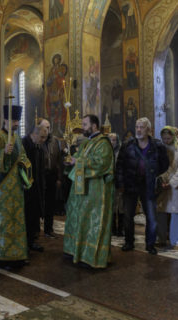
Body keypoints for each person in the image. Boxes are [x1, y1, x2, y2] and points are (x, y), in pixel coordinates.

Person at [0, 105, 32, 267]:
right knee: (1, 221)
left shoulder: (17, 138)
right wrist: (3, 153)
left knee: (15, 220)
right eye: (13, 120)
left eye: (17, 121)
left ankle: (16, 254)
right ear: (5, 120)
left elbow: (23, 157)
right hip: (1, 189)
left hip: (15, 188)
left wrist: (24, 167)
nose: (16, 123)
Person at [63, 115, 115, 268]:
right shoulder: (87, 143)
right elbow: (77, 158)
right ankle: (76, 250)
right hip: (82, 189)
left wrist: (77, 161)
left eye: (85, 124)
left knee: (92, 222)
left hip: (95, 190)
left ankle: (91, 256)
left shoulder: (103, 144)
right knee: (80, 219)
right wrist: (69, 160)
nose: (83, 127)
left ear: (94, 126)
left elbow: (101, 164)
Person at [115, 117, 169, 255]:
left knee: (151, 217)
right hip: (130, 185)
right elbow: (119, 165)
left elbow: (164, 164)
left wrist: (153, 173)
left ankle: (150, 244)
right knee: (128, 216)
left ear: (149, 130)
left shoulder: (157, 146)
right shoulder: (127, 145)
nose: (138, 130)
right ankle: (129, 242)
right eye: (137, 127)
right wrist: (120, 183)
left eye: (142, 127)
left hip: (148, 185)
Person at [158, 126, 178, 249]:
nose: (166, 140)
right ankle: (161, 238)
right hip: (162, 184)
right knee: (160, 211)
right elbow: (157, 165)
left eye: (168, 138)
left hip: (176, 186)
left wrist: (171, 182)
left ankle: (177, 241)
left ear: (173, 137)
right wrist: (161, 181)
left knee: (176, 212)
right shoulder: (160, 148)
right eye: (164, 138)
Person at [22, 125, 48, 252]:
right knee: (25, 216)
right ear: (34, 134)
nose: (44, 140)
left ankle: (31, 241)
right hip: (25, 188)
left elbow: (41, 170)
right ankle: (23, 244)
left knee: (34, 216)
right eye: (42, 137)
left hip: (36, 187)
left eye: (45, 138)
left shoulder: (39, 147)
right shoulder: (23, 144)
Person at [38, 118, 65, 234]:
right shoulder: (38, 140)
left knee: (50, 204)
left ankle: (49, 229)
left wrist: (59, 178)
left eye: (48, 127)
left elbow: (58, 160)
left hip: (52, 175)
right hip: (40, 175)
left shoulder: (55, 141)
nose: (47, 130)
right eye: (45, 127)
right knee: (38, 202)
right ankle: (35, 229)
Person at [108, 133, 124, 236]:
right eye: (110, 140)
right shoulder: (106, 152)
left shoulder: (121, 152)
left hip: (120, 182)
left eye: (114, 140)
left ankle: (120, 229)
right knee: (112, 206)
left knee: (121, 206)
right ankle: (113, 228)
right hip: (110, 182)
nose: (112, 142)